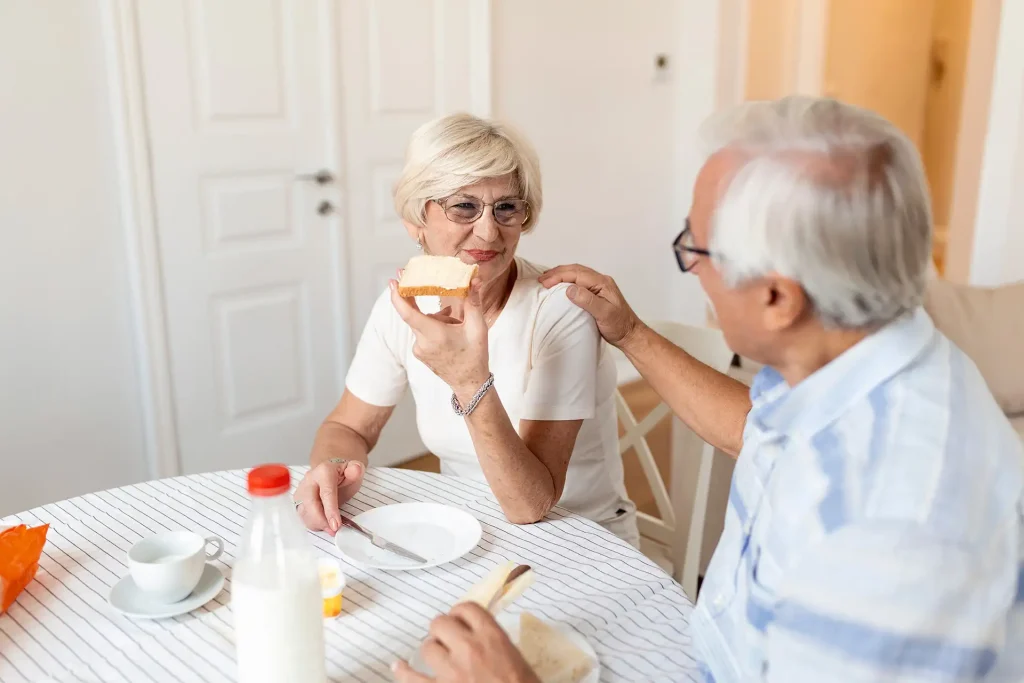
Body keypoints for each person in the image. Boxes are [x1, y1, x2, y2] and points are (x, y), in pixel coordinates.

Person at [392, 96, 1024, 682]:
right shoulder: (867, 352)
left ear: (777, 297)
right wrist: (631, 332)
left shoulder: (886, 532)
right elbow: (758, 432)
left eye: (695, 247)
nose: (690, 266)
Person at [293, 113, 638, 546]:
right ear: (417, 221)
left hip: (578, 538)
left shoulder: (560, 309)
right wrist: (332, 467)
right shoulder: (405, 305)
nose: (489, 231)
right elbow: (349, 427)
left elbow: (531, 504)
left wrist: (467, 377)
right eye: (463, 206)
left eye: (507, 207)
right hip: (467, 528)